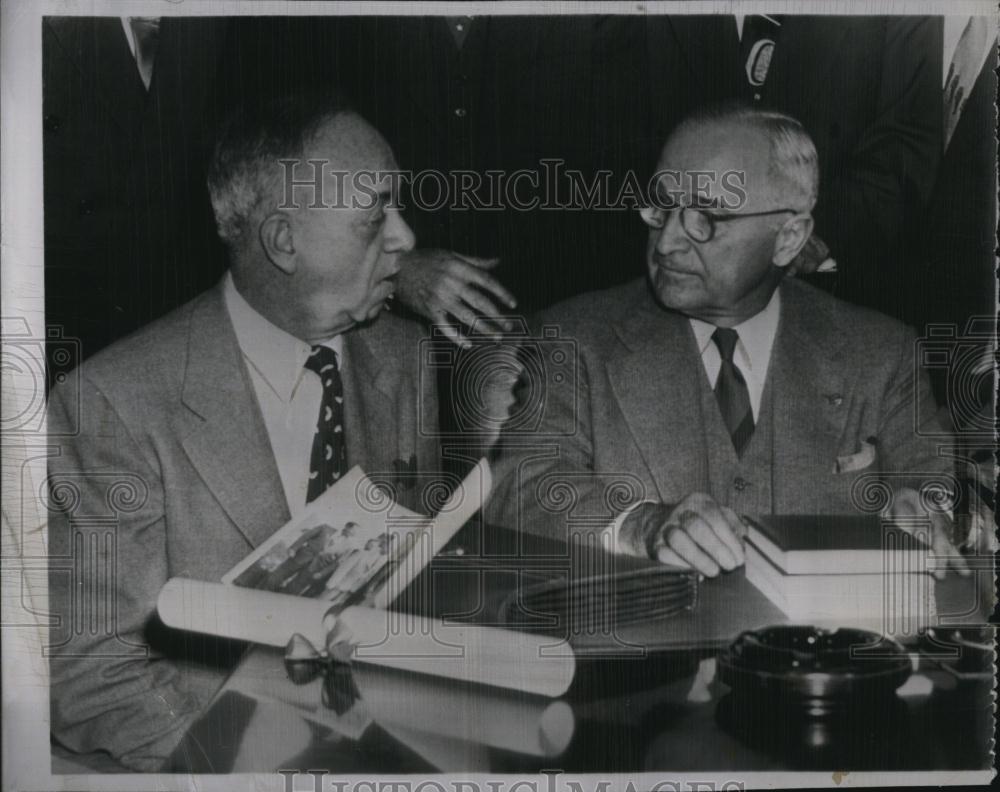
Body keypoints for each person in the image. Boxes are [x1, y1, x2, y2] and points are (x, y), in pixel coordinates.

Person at [46, 91, 441, 770]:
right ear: (284, 242)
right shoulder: (112, 403)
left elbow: (422, 590)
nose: (405, 237)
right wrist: (260, 767)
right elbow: (94, 672)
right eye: (374, 218)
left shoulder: (405, 357)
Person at [488, 104, 967, 580]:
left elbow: (939, 481)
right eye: (661, 206)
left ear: (788, 238)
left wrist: (927, 507)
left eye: (706, 218)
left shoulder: (882, 352)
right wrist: (642, 526)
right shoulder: (573, 339)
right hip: (649, 648)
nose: (667, 242)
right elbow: (524, 490)